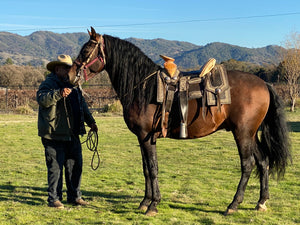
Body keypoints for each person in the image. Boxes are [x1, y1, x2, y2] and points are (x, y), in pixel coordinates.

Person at [36, 54, 98, 209]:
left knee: (74, 167)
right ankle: (54, 199)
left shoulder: (74, 85)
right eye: (66, 67)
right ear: (57, 69)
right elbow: (42, 99)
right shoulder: (48, 83)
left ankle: (75, 196)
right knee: (55, 168)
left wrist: (90, 121)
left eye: (70, 67)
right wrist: (58, 94)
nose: (70, 70)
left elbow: (81, 104)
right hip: (53, 133)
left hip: (72, 133)